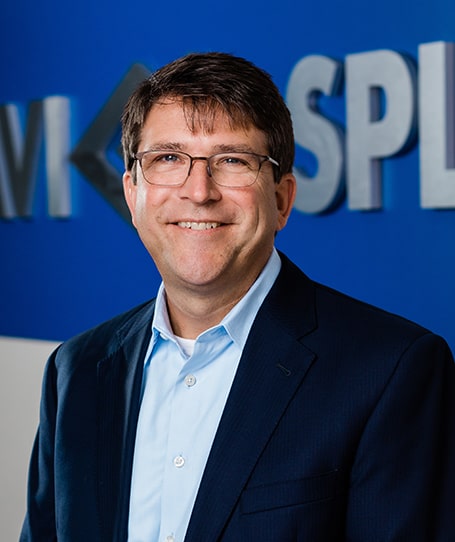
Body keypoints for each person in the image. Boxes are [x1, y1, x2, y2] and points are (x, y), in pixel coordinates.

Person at [21, 52, 455, 542]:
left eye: (232, 160)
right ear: (133, 194)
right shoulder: (75, 371)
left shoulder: (391, 370)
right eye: (167, 158)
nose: (199, 191)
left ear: (282, 199)